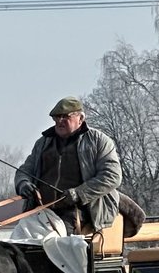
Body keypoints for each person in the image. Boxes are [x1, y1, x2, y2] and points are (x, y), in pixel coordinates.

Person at [14, 96, 130, 235]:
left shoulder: (99, 141)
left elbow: (112, 176)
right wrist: (23, 183)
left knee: (57, 243)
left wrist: (78, 194)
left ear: (80, 119)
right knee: (19, 239)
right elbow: (25, 170)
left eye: (65, 116)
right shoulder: (43, 143)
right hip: (41, 212)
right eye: (56, 117)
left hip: (80, 212)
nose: (59, 121)